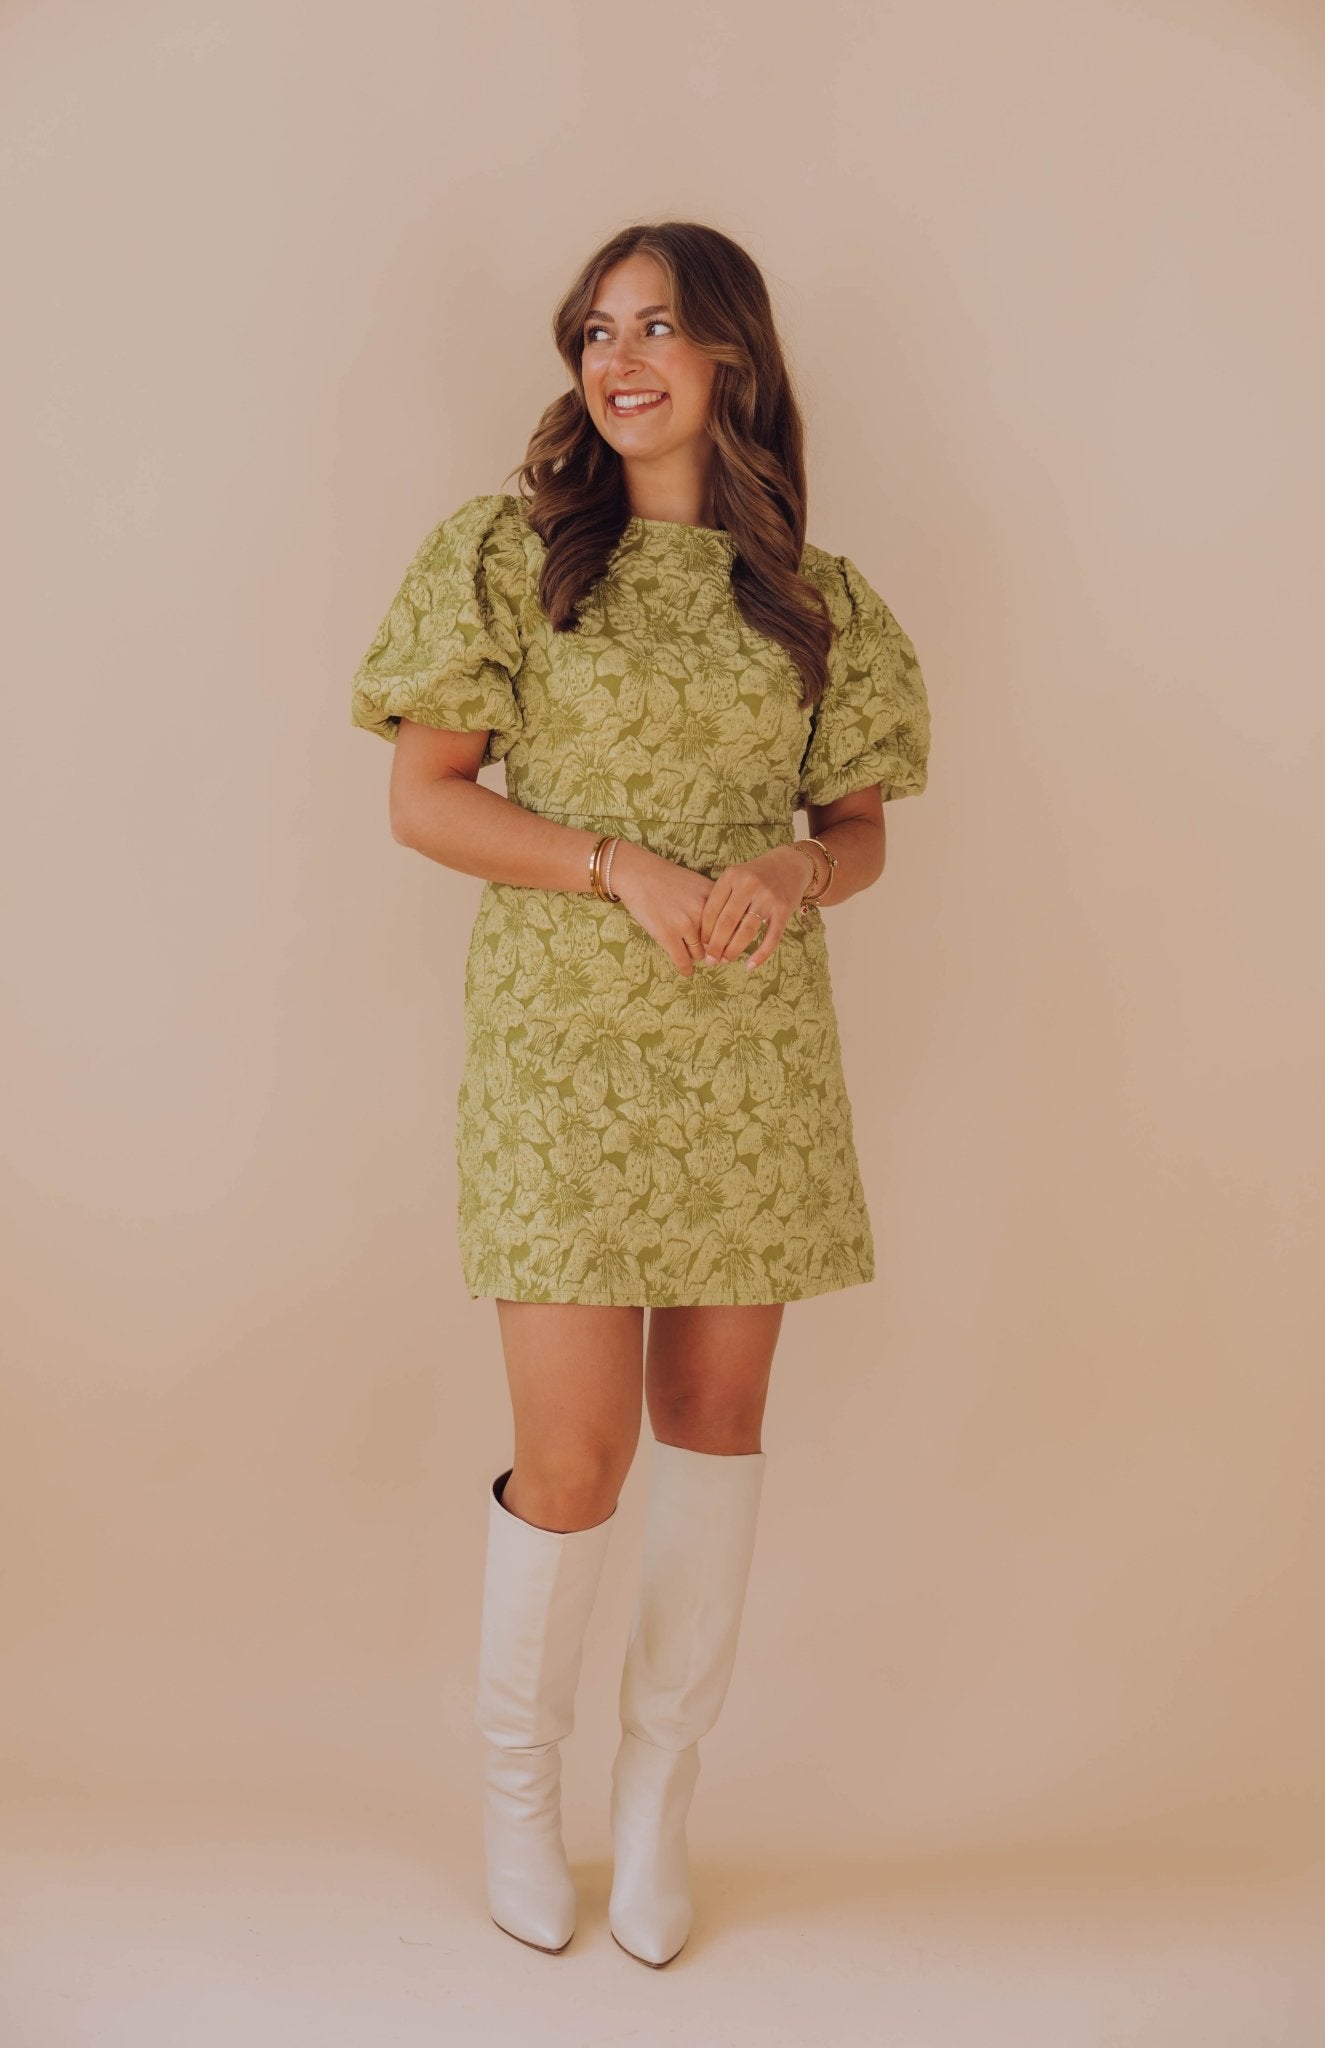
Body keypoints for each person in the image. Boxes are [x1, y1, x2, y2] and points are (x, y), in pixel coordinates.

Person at [350, 221, 931, 1966]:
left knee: (712, 1426)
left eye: (658, 326)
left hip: (749, 1053)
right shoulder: (506, 557)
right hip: (560, 1052)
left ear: (730, 356)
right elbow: (426, 800)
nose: (619, 359)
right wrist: (618, 864)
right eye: (595, 331)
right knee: (574, 1454)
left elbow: (857, 830)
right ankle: (520, 1798)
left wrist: (794, 868)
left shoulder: (815, 601)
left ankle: (659, 1802)